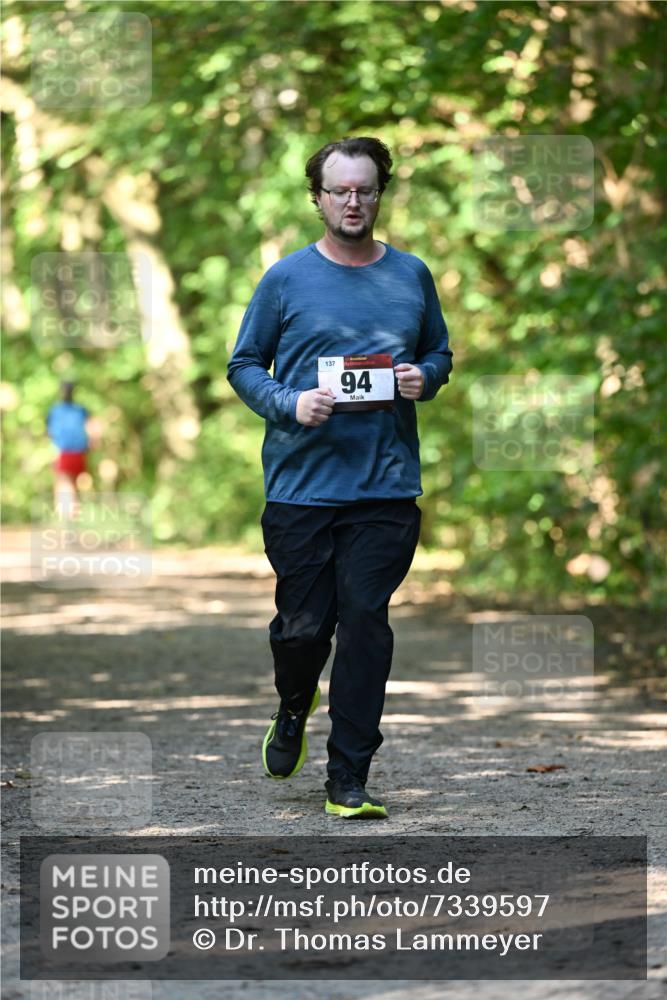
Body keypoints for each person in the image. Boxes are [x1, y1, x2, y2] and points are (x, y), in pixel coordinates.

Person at [227, 136, 453, 819]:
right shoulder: (286, 279)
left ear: (380, 195)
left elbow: (439, 353)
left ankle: (348, 777)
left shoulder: (411, 274)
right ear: (318, 198)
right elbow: (244, 365)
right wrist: (289, 402)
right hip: (300, 487)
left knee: (364, 623)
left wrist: (424, 377)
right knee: (302, 632)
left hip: (385, 486)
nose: (353, 202)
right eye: (340, 191)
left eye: (365, 190)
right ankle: (294, 705)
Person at [46, 380, 90, 516]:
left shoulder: (56, 411)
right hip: (77, 452)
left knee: (64, 482)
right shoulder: (80, 410)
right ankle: (70, 515)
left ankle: (67, 516)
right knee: (71, 483)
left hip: (65, 452)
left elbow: (49, 432)